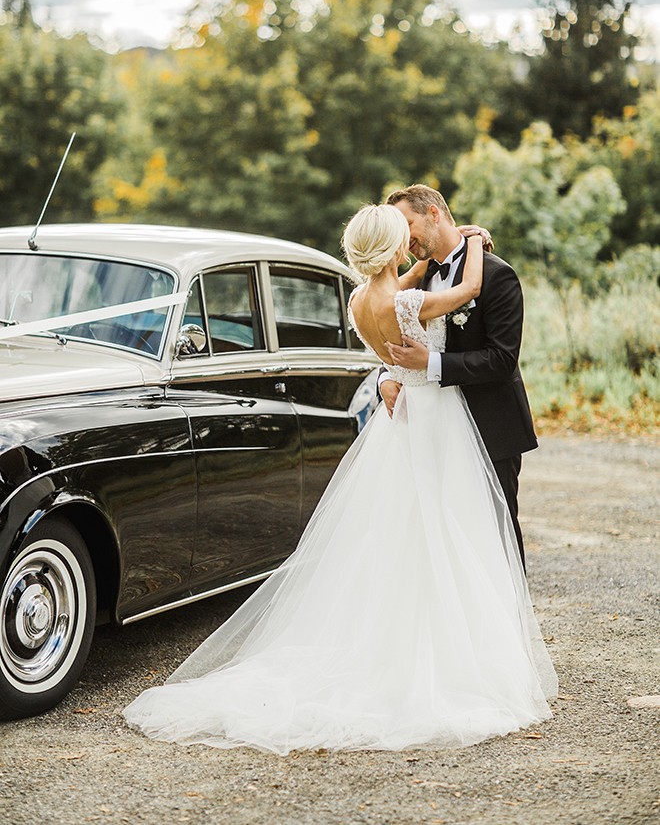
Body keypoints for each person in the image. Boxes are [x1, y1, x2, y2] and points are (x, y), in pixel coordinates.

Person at [123, 204, 557, 754]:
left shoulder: (361, 301)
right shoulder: (413, 295)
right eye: (404, 236)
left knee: (428, 533)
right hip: (432, 418)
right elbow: (461, 290)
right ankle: (455, 658)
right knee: (434, 534)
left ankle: (463, 644)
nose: (413, 244)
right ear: (397, 243)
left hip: (424, 423)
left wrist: (397, 369)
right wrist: (472, 242)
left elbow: (480, 348)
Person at [382, 185, 537, 566]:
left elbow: (502, 359)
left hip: (489, 426)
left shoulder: (498, 276)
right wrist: (383, 379)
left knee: (496, 530)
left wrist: (429, 365)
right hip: (434, 428)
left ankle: (510, 624)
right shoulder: (417, 280)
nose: (406, 240)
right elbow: (387, 337)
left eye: (408, 225)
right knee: (445, 533)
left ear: (434, 213)